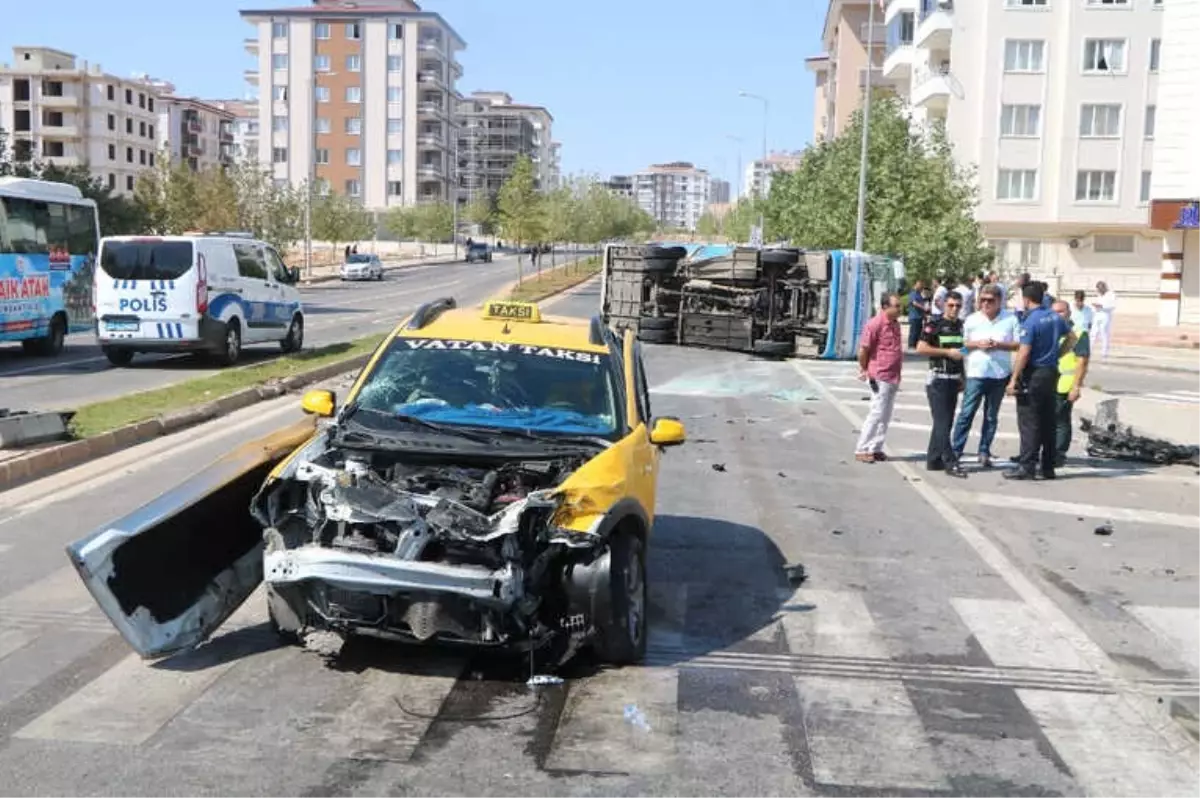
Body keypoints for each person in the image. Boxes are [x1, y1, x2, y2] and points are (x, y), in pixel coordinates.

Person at [1004, 283, 1075, 481]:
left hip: (1033, 374)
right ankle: (1048, 467)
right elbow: (1071, 338)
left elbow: (1024, 352)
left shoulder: (1031, 321)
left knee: (1029, 422)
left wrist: (1013, 379)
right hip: (1051, 373)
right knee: (1048, 421)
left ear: (1026, 299)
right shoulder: (1054, 317)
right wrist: (1057, 355)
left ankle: (1026, 466)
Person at [951, 283, 1020, 468]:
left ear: (999, 301)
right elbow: (963, 346)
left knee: (991, 416)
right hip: (975, 373)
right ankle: (955, 450)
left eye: (990, 300)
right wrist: (976, 345)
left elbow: (1018, 345)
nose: (985, 303)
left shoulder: (1011, 319)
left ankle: (984, 450)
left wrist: (998, 345)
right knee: (966, 413)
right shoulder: (972, 320)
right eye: (982, 300)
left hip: (999, 374)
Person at [916, 291, 967, 477]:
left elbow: (961, 355)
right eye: (951, 305)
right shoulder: (934, 324)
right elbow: (921, 348)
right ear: (944, 305)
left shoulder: (961, 327)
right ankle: (950, 462)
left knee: (945, 423)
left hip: (954, 379)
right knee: (941, 422)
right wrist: (946, 353)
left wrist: (964, 377)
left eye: (958, 306)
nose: (954, 309)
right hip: (937, 378)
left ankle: (934, 459)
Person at [854, 293, 904, 464]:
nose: (899, 309)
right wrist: (864, 368)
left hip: (893, 375)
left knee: (886, 414)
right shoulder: (875, 324)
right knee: (876, 412)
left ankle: (876, 448)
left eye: (899, 306)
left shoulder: (895, 325)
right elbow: (864, 349)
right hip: (879, 375)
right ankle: (862, 448)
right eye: (896, 306)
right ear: (885, 307)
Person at [1052, 299, 1091, 468]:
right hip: (1049, 382)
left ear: (1068, 313)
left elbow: (1082, 362)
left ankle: (1059, 453)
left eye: (1060, 311)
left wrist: (1076, 386)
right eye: (1054, 312)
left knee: (1061, 420)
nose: (1057, 315)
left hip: (1066, 383)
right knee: (1047, 419)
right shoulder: (1052, 331)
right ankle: (1047, 451)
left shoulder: (1078, 333)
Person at [1090, 281, 1117, 360]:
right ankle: (1089, 351)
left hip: (1106, 315)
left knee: (1104, 334)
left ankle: (1104, 353)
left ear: (1104, 287)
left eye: (1100, 288)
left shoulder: (1111, 294)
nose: (1099, 290)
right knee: (1093, 333)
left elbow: (1112, 306)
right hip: (1097, 315)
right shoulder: (1099, 295)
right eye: (1098, 289)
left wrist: (1102, 306)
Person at [907, 280, 929, 350]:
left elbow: (922, 303)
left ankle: (916, 344)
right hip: (914, 316)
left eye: (921, 285)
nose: (920, 287)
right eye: (919, 285)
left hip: (919, 316)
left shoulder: (919, 294)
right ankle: (911, 345)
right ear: (915, 285)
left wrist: (924, 315)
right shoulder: (913, 293)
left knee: (919, 331)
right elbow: (914, 303)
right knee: (914, 331)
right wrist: (924, 308)